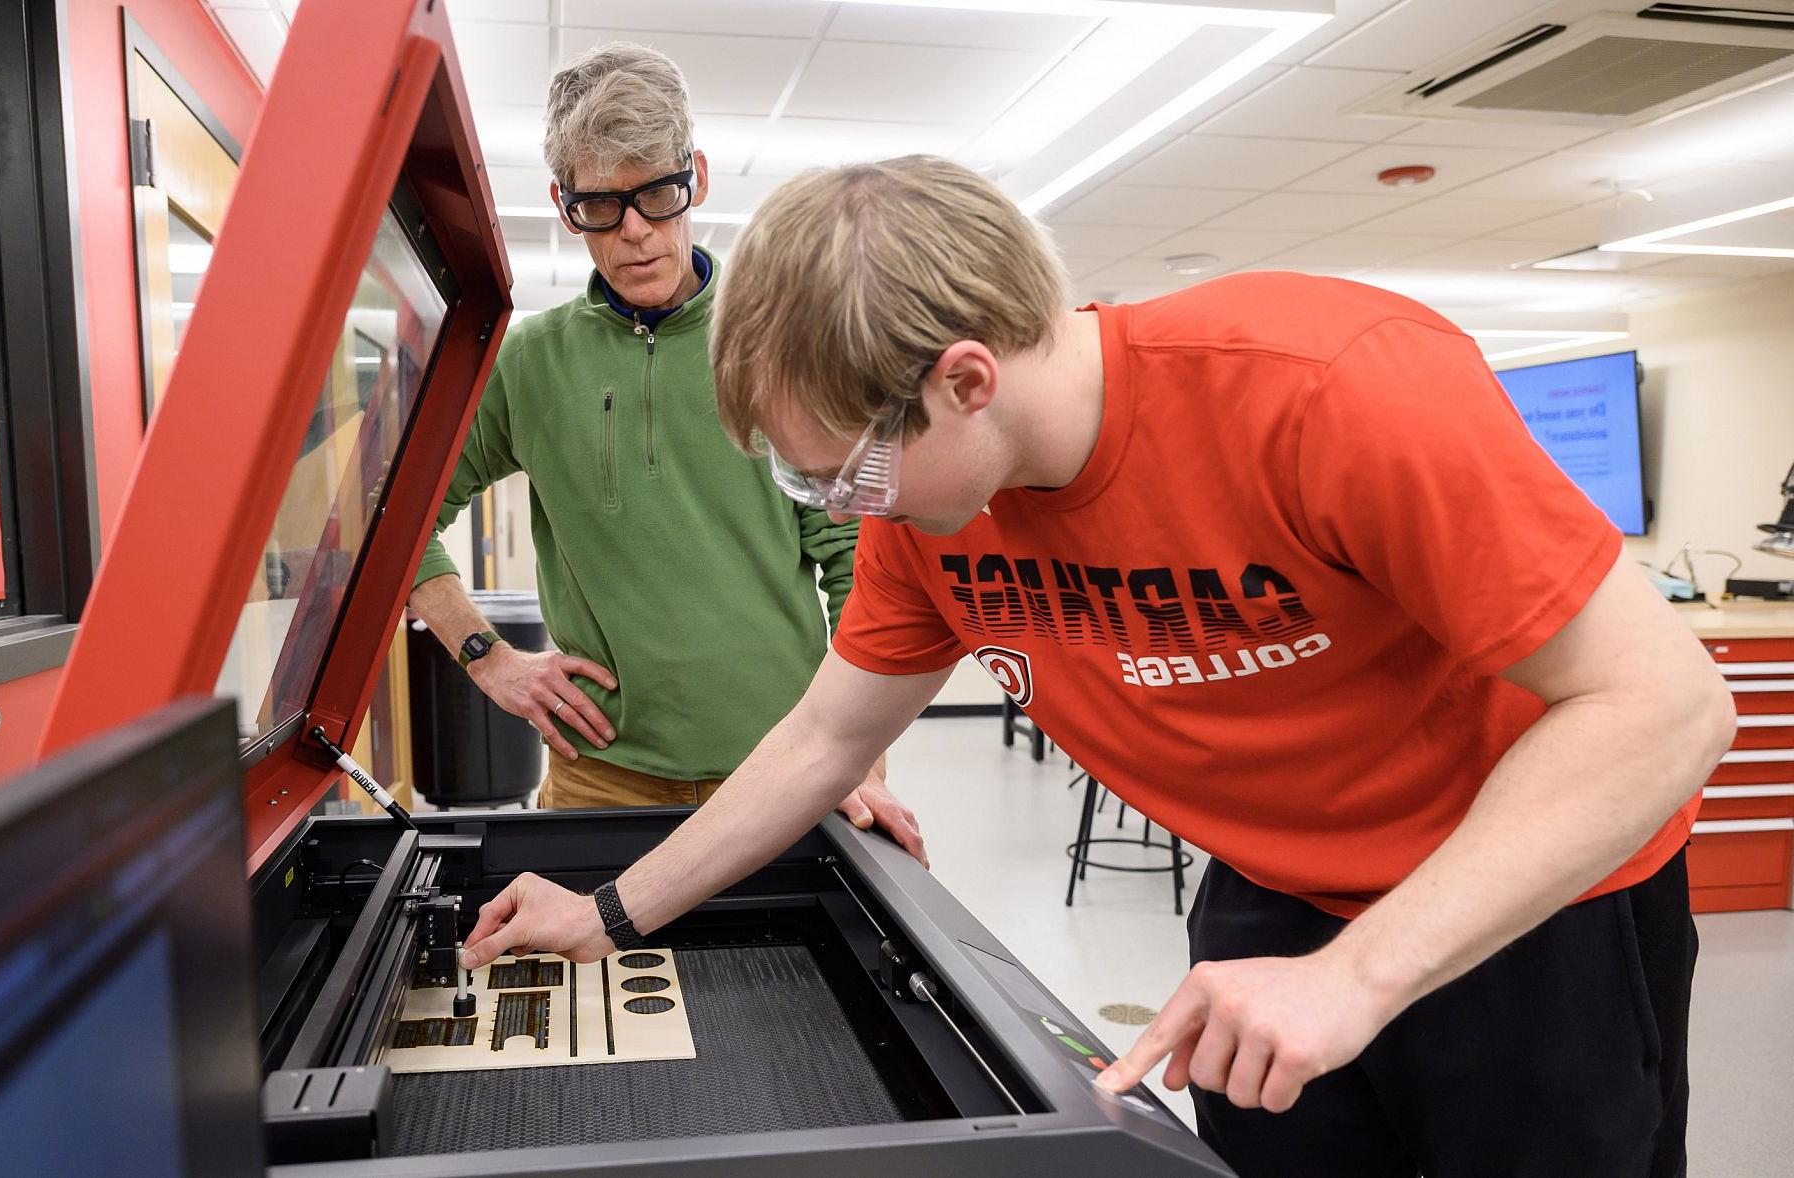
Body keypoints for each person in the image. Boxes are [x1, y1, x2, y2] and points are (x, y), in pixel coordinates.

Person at [455, 155, 1734, 1177]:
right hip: (1274, 895)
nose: (846, 506)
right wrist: (608, 910)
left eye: (840, 469)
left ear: (964, 380)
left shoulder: (1324, 387)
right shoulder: (930, 520)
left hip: (1527, 901)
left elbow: (1665, 702)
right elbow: (821, 739)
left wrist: (1360, 975)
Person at [406, 44, 918, 857]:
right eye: (601, 207)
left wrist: (858, 750)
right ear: (563, 204)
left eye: (658, 194)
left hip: (784, 765)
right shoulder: (527, 362)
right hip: (597, 777)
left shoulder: (779, 343)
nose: (636, 231)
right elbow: (395, 515)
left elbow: (862, 558)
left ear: (698, 177)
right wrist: (486, 655)